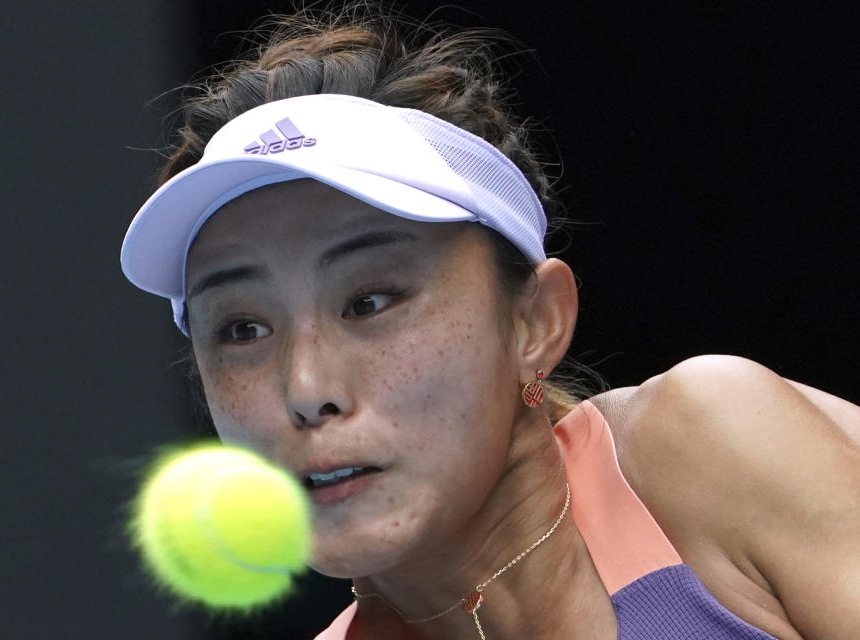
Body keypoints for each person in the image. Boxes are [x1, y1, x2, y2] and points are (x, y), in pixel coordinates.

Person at [120, 5, 860, 639]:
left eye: (370, 302)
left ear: (534, 323)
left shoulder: (711, 441)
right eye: (242, 330)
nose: (307, 388)